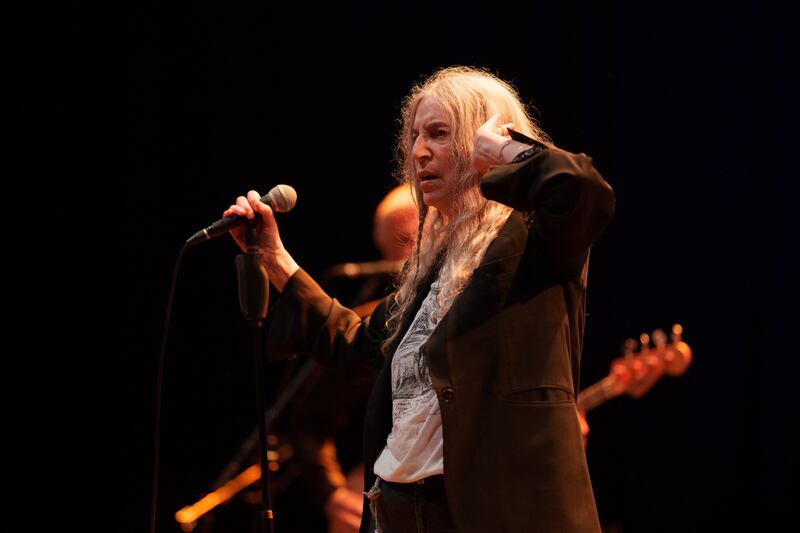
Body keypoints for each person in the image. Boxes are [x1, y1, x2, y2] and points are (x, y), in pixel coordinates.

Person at [224, 66, 615, 533]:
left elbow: (584, 191)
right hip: (400, 512)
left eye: (440, 134)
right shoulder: (434, 265)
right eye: (414, 137)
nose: (418, 151)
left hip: (487, 513)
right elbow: (359, 346)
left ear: (482, 138)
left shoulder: (532, 239)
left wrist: (507, 150)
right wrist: (274, 259)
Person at [278, 184, 418, 533]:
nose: (401, 265)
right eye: (393, 250)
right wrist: (332, 493)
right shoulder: (382, 324)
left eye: (408, 241)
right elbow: (309, 418)